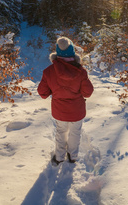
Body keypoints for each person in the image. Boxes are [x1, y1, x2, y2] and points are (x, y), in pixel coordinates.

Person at [37, 37, 94, 166]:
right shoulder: (81, 72)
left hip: (59, 111)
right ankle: (73, 156)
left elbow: (43, 93)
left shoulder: (49, 72)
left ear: (57, 54)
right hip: (77, 111)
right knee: (75, 133)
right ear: (72, 53)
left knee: (61, 132)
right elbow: (88, 93)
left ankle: (59, 157)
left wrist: (54, 89)